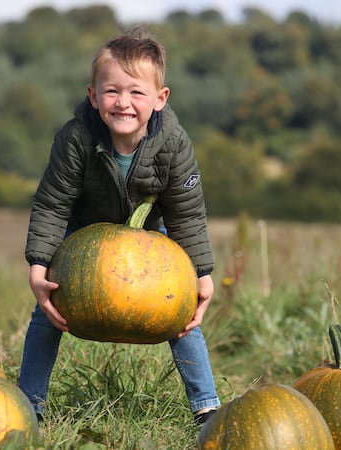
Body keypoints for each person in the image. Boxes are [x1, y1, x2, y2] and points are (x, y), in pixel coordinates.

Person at [19, 25, 220, 426]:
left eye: (136, 92)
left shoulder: (174, 144)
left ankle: (207, 407)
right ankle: (29, 407)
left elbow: (186, 212)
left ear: (160, 99)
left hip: (150, 239)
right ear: (93, 96)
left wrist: (202, 274)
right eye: (111, 91)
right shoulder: (76, 138)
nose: (123, 102)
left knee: (181, 315)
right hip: (83, 238)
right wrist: (38, 267)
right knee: (47, 313)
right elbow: (52, 203)